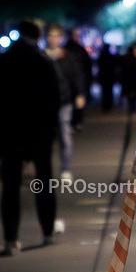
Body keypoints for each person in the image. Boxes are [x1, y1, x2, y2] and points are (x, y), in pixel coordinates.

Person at [0, 21, 61, 255]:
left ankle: (11, 239)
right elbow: (54, 99)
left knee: (11, 188)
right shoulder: (43, 62)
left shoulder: (4, 61)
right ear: (37, 37)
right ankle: (47, 230)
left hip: (10, 133)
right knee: (44, 183)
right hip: (39, 132)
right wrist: (50, 129)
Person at [44, 23, 85, 180]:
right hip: (45, 103)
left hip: (64, 101)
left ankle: (65, 168)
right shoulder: (42, 56)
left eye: (56, 36)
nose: (53, 39)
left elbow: (76, 76)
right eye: (50, 35)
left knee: (64, 132)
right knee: (45, 137)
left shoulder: (67, 56)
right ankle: (44, 170)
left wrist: (80, 94)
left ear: (61, 38)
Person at [64, 28, 93, 129]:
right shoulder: (66, 50)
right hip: (68, 81)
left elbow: (87, 65)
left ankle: (77, 121)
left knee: (79, 102)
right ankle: (73, 122)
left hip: (79, 79)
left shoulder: (80, 49)